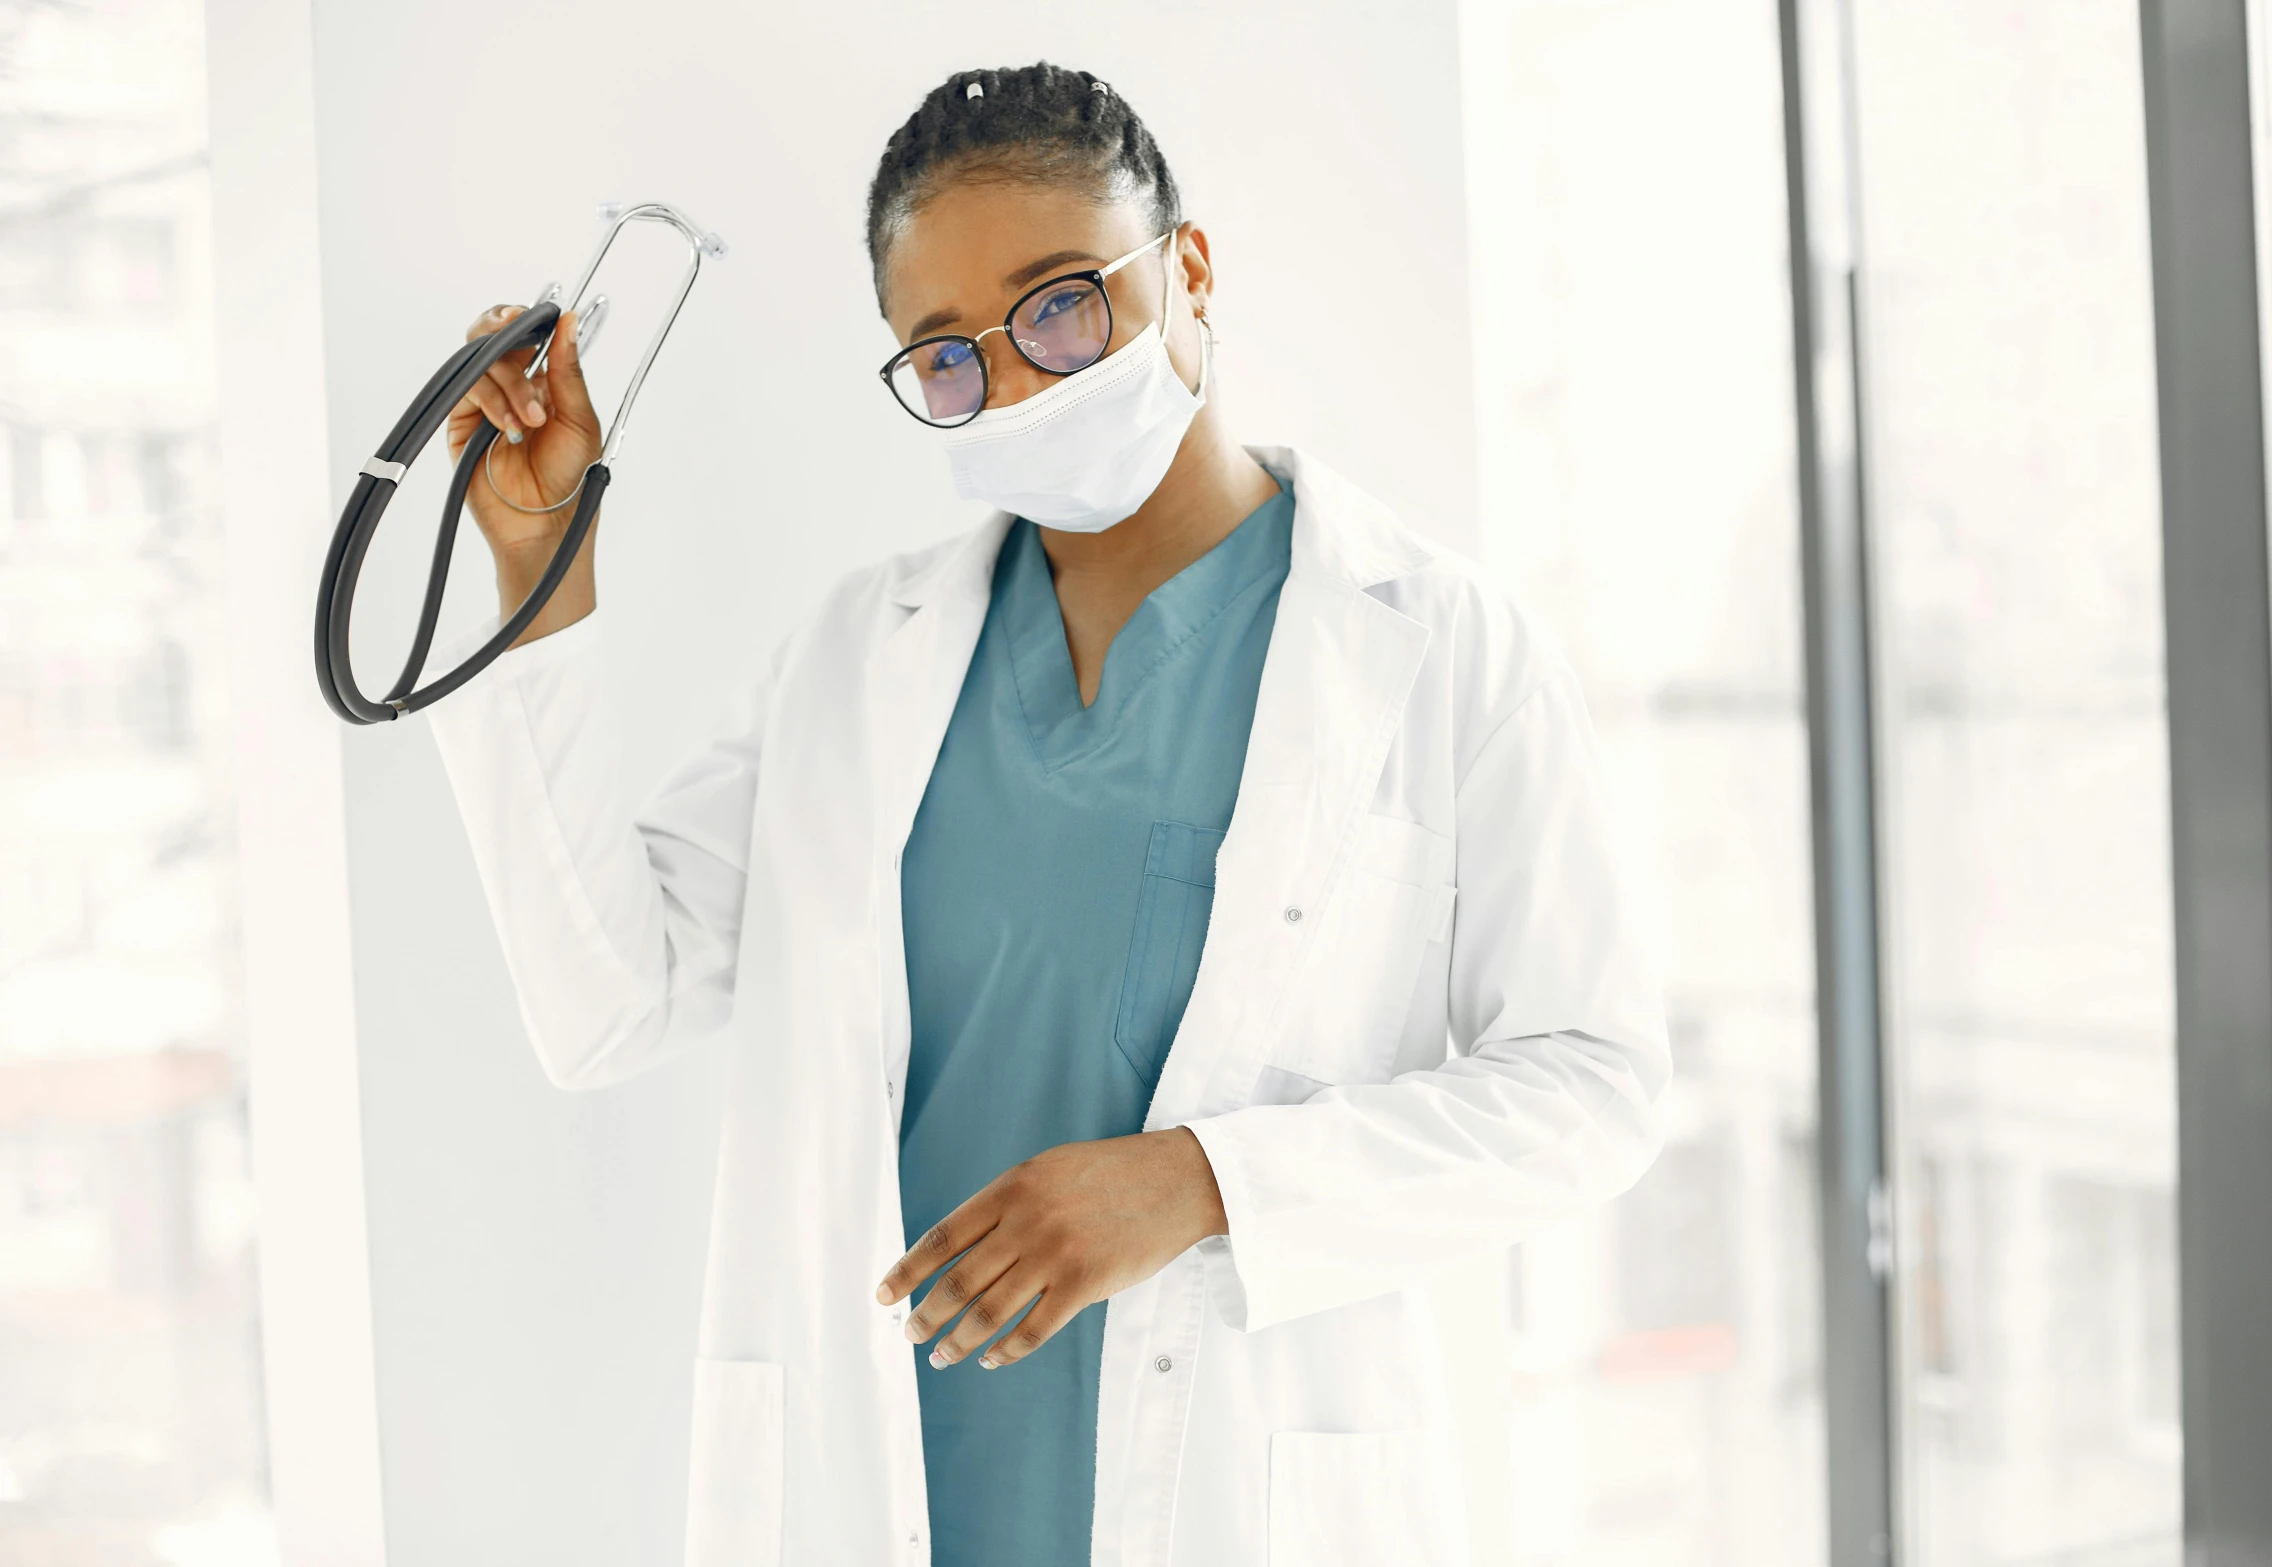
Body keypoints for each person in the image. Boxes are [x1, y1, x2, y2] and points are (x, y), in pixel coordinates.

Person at [426, 60, 1669, 1567]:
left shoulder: (1434, 642)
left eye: (1060, 304)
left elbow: (1591, 1083)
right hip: (885, 1483)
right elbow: (603, 1005)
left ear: (1188, 270)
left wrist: (1203, 1183)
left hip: (1235, 1487)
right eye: (944, 354)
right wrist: (534, 563)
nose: (1010, 383)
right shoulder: (850, 660)